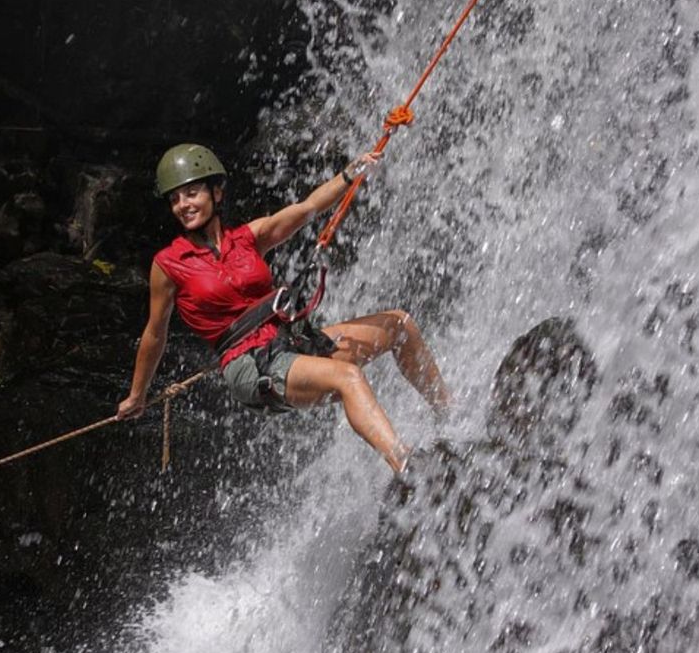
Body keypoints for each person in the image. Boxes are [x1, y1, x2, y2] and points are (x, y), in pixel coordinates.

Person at [116, 143, 450, 473]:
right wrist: (137, 395)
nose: (182, 205)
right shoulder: (169, 263)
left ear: (216, 193)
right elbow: (155, 332)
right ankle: (405, 464)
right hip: (248, 364)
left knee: (398, 324)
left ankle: (449, 417)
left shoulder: (248, 238)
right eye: (174, 199)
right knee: (348, 376)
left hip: (288, 343)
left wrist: (351, 172)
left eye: (191, 193)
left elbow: (307, 208)